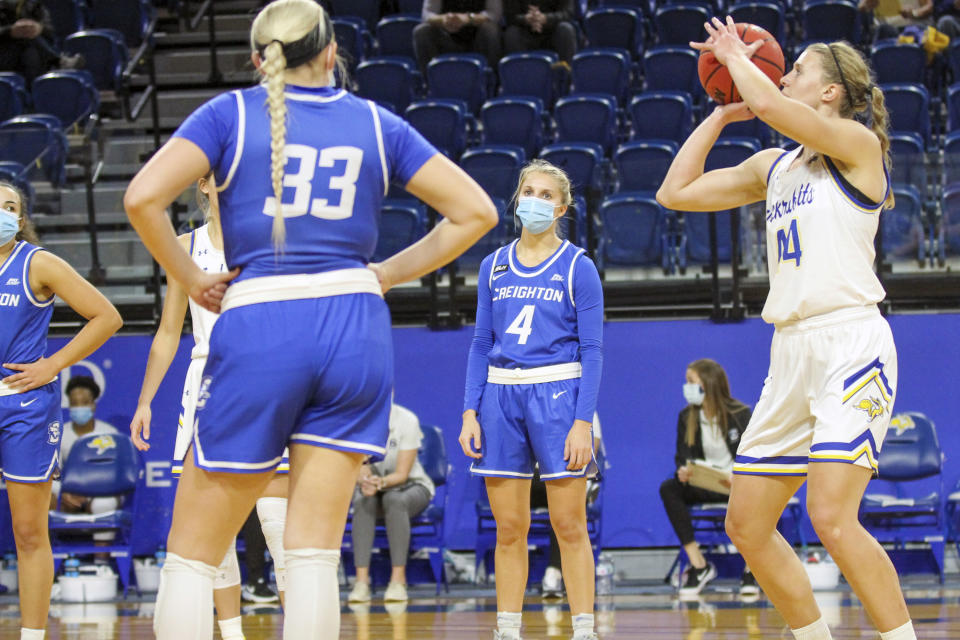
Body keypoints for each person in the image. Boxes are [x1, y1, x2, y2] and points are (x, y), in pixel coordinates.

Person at [123, 0, 497, 638]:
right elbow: (477, 213)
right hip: (355, 327)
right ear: (331, 54)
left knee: (191, 556)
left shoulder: (228, 114)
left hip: (264, 318)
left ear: (256, 58)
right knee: (314, 555)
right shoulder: (377, 123)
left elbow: (141, 198)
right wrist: (386, 273)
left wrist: (189, 278)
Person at [658, 18, 914, 640]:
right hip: (791, 350)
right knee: (745, 525)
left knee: (831, 514)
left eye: (798, 68)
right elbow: (675, 191)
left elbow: (771, 101)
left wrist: (731, 56)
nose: (784, 73)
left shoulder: (857, 145)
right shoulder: (775, 165)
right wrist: (722, 110)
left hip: (850, 341)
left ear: (830, 92)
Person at [460, 160, 603, 640]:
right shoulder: (493, 265)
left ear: (561, 207)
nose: (535, 201)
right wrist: (469, 412)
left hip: (558, 394)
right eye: (528, 191)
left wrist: (583, 422)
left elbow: (593, 351)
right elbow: (481, 343)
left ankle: (584, 628)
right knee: (509, 528)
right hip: (500, 396)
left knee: (569, 524)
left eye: (546, 195)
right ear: (516, 198)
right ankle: (507, 629)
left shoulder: (578, 266)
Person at [129, 173, 275, 639]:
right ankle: (231, 634)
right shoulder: (184, 245)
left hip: (268, 378)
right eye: (222, 175)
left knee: (280, 527)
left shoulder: (272, 235)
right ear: (205, 186)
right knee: (212, 529)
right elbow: (170, 330)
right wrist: (146, 399)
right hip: (207, 380)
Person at [0, 180, 122, 640]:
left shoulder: (38, 263)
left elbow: (107, 315)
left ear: (22, 219)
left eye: (11, 207)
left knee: (29, 532)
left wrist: (52, 364)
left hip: (24, 405)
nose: (4, 214)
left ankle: (32, 636)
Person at [657, 359, 754, 597]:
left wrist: (739, 476)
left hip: (738, 485)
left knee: (758, 493)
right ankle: (699, 565)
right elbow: (682, 457)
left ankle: (752, 570)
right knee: (669, 488)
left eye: (691, 382)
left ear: (709, 384)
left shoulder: (741, 414)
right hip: (706, 483)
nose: (686, 387)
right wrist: (683, 470)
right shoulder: (686, 416)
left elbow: (753, 456)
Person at [347, 401, 435, 604]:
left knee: (394, 500)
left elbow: (402, 475)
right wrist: (363, 477)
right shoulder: (357, 418)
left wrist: (381, 483)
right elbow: (358, 462)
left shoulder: (406, 420)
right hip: (373, 490)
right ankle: (361, 583)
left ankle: (398, 580)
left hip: (412, 486)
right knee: (362, 501)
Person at [531, 411, 602, 600]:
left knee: (563, 507)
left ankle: (553, 573)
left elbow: (592, 446)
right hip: (532, 479)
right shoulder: (530, 399)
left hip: (563, 474)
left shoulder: (584, 405)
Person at [0, 0, 81, 83]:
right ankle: (58, 61)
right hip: (5, 54)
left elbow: (49, 33)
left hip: (32, 52)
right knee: (28, 41)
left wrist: (39, 29)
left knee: (30, 51)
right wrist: (10, 32)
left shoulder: (35, 6)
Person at [413, 0, 502, 74]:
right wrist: (444, 19)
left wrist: (468, 19)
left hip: (478, 39)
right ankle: (431, 84)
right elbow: (427, 14)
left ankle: (490, 82)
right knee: (422, 31)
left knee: (490, 29)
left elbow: (494, 14)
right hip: (447, 38)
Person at [503, 0, 577, 65]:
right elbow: (510, 17)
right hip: (525, 30)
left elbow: (567, 13)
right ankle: (518, 75)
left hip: (553, 30)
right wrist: (526, 19)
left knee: (565, 29)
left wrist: (546, 18)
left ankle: (568, 76)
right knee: (512, 33)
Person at [858, 0, 933, 40]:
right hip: (886, 27)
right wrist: (867, 4)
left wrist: (914, 13)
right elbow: (861, 7)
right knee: (883, 29)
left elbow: (929, 7)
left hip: (912, 26)